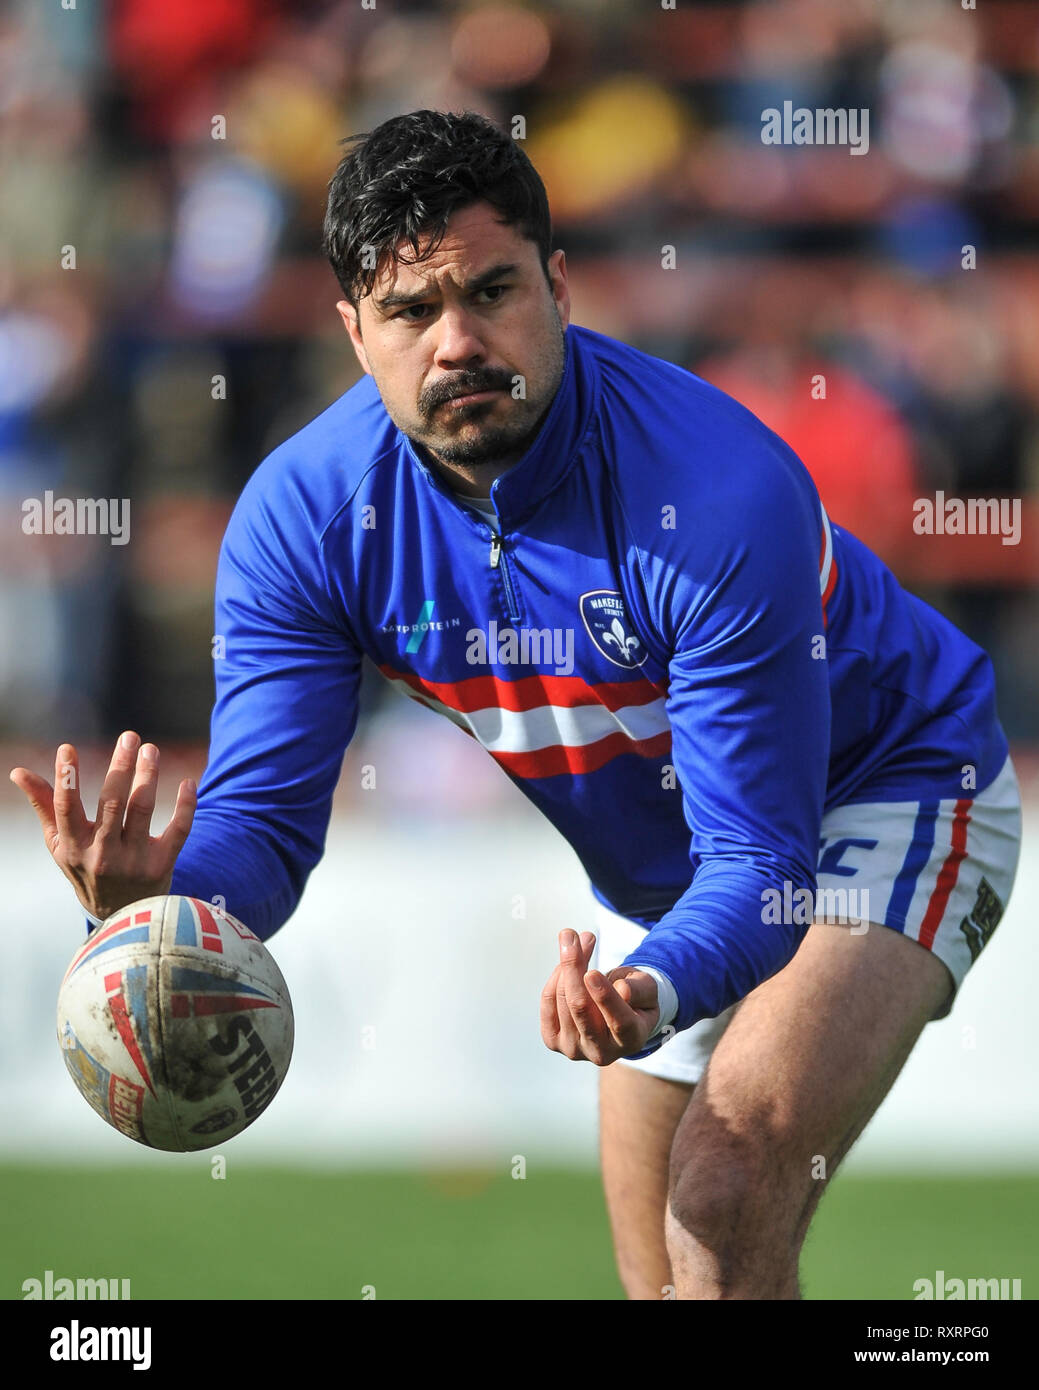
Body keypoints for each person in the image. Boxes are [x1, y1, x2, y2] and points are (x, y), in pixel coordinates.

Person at [10, 109, 1021, 1300]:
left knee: (722, 1197)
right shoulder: (304, 519)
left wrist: (650, 987)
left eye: (491, 291)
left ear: (558, 284)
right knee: (672, 1289)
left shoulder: (715, 491)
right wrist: (166, 905)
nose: (457, 342)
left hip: (895, 793)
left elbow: (764, 859)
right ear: (350, 331)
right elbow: (267, 829)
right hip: (695, 888)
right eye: (409, 311)